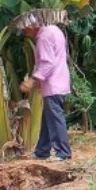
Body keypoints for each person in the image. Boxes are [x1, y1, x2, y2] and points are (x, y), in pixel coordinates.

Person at [19, 16, 72, 161]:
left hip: (53, 84)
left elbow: (47, 63)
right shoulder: (54, 30)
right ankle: (42, 151)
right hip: (59, 80)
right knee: (48, 118)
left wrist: (32, 80)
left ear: (34, 25)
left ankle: (63, 152)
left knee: (55, 118)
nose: (24, 31)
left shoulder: (43, 37)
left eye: (26, 28)